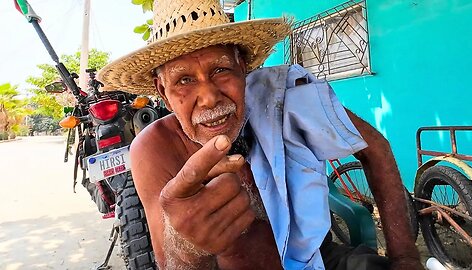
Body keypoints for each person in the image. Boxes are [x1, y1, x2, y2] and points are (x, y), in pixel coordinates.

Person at [98, 0, 423, 269]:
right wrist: (187, 247)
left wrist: (406, 257)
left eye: (221, 70)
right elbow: (171, 262)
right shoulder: (155, 147)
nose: (209, 97)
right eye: (184, 80)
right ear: (163, 93)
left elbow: (376, 146)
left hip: (318, 262)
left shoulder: (284, 101)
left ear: (244, 70)